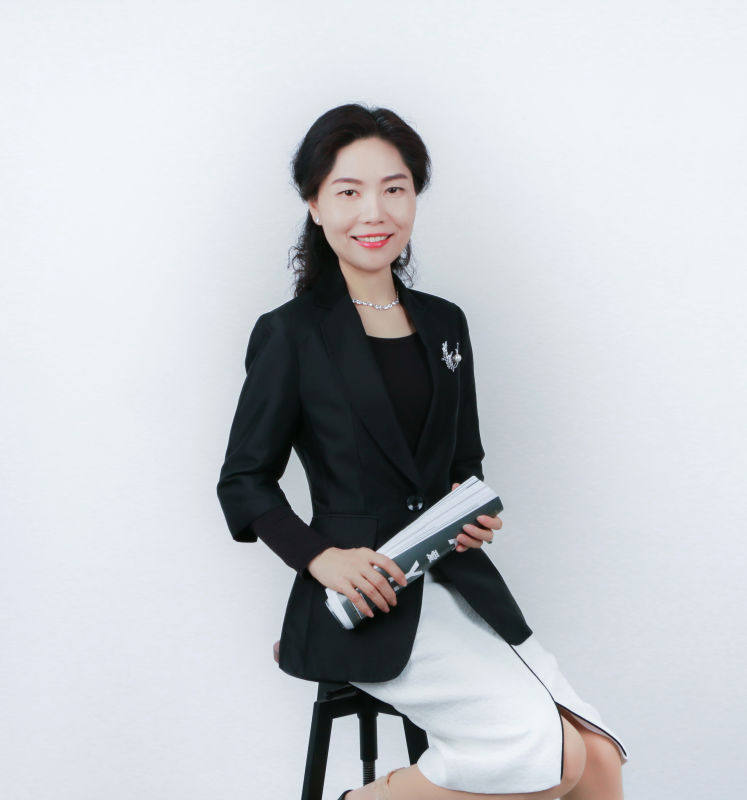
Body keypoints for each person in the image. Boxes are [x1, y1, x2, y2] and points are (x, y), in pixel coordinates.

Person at [217, 104, 629, 800]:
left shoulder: (444, 323)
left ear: (414, 197)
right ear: (314, 204)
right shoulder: (292, 334)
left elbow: (463, 463)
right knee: (551, 758)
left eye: (394, 188)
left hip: (458, 581)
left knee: (598, 757)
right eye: (348, 191)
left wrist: (471, 513)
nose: (373, 212)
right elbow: (243, 481)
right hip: (364, 600)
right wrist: (323, 558)